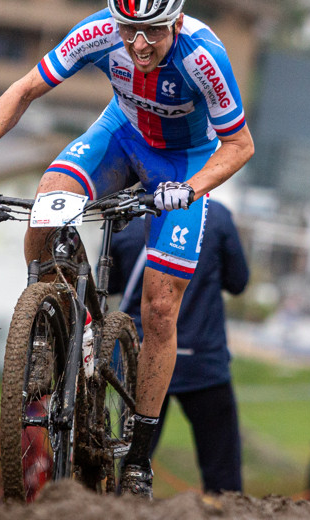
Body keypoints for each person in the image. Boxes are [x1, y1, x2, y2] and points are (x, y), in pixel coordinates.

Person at [0, 0, 254, 498]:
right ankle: (43, 327)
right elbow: (24, 91)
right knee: (46, 200)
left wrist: (192, 188)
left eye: (152, 32)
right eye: (129, 29)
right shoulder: (101, 32)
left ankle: (137, 459)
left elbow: (240, 145)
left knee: (159, 306)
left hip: (182, 165)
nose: (137, 44)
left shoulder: (205, 58)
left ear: (177, 22)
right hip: (120, 137)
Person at [106, 198, 249, 494]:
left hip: (140, 357)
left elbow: (110, 282)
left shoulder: (125, 217)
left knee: (134, 465)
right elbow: (238, 282)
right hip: (202, 359)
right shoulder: (217, 216)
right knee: (222, 476)